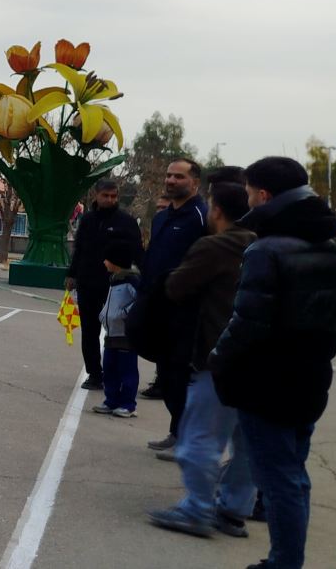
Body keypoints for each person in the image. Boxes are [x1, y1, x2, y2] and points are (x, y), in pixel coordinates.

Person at [210, 158, 336, 569]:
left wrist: (218, 358)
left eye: (249, 191)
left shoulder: (265, 249)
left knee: (278, 480)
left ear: (264, 195)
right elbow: (334, 319)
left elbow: (247, 322)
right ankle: (285, 558)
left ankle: (284, 562)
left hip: (266, 382)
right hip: (310, 378)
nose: (247, 199)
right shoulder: (328, 248)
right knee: (293, 475)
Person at [147, 181, 258, 538]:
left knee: (198, 437)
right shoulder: (261, 245)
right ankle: (234, 509)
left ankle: (197, 509)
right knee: (246, 442)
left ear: (217, 210)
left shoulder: (215, 246)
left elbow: (176, 287)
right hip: (256, 359)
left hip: (217, 355)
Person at [135, 157, 208, 453]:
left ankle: (187, 440)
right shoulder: (162, 217)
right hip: (157, 307)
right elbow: (153, 257)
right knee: (166, 375)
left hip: (186, 310)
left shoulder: (202, 217)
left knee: (180, 375)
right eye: (168, 175)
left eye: (179, 176)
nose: (171, 180)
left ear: (195, 182)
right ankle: (177, 432)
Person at [66, 178, 142, 390]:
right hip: (88, 283)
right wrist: (72, 275)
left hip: (116, 286)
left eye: (113, 196)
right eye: (105, 196)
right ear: (96, 195)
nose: (110, 199)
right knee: (89, 330)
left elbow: (137, 251)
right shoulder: (87, 220)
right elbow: (79, 249)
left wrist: (143, 278)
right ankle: (94, 374)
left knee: (118, 332)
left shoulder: (126, 221)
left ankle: (118, 375)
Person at [92, 241, 141, 417]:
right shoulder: (114, 280)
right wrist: (103, 314)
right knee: (109, 368)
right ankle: (111, 400)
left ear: (116, 261)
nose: (104, 262)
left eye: (107, 259)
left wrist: (124, 314)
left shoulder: (131, 280)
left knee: (127, 371)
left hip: (126, 335)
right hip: (111, 334)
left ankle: (128, 404)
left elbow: (142, 300)